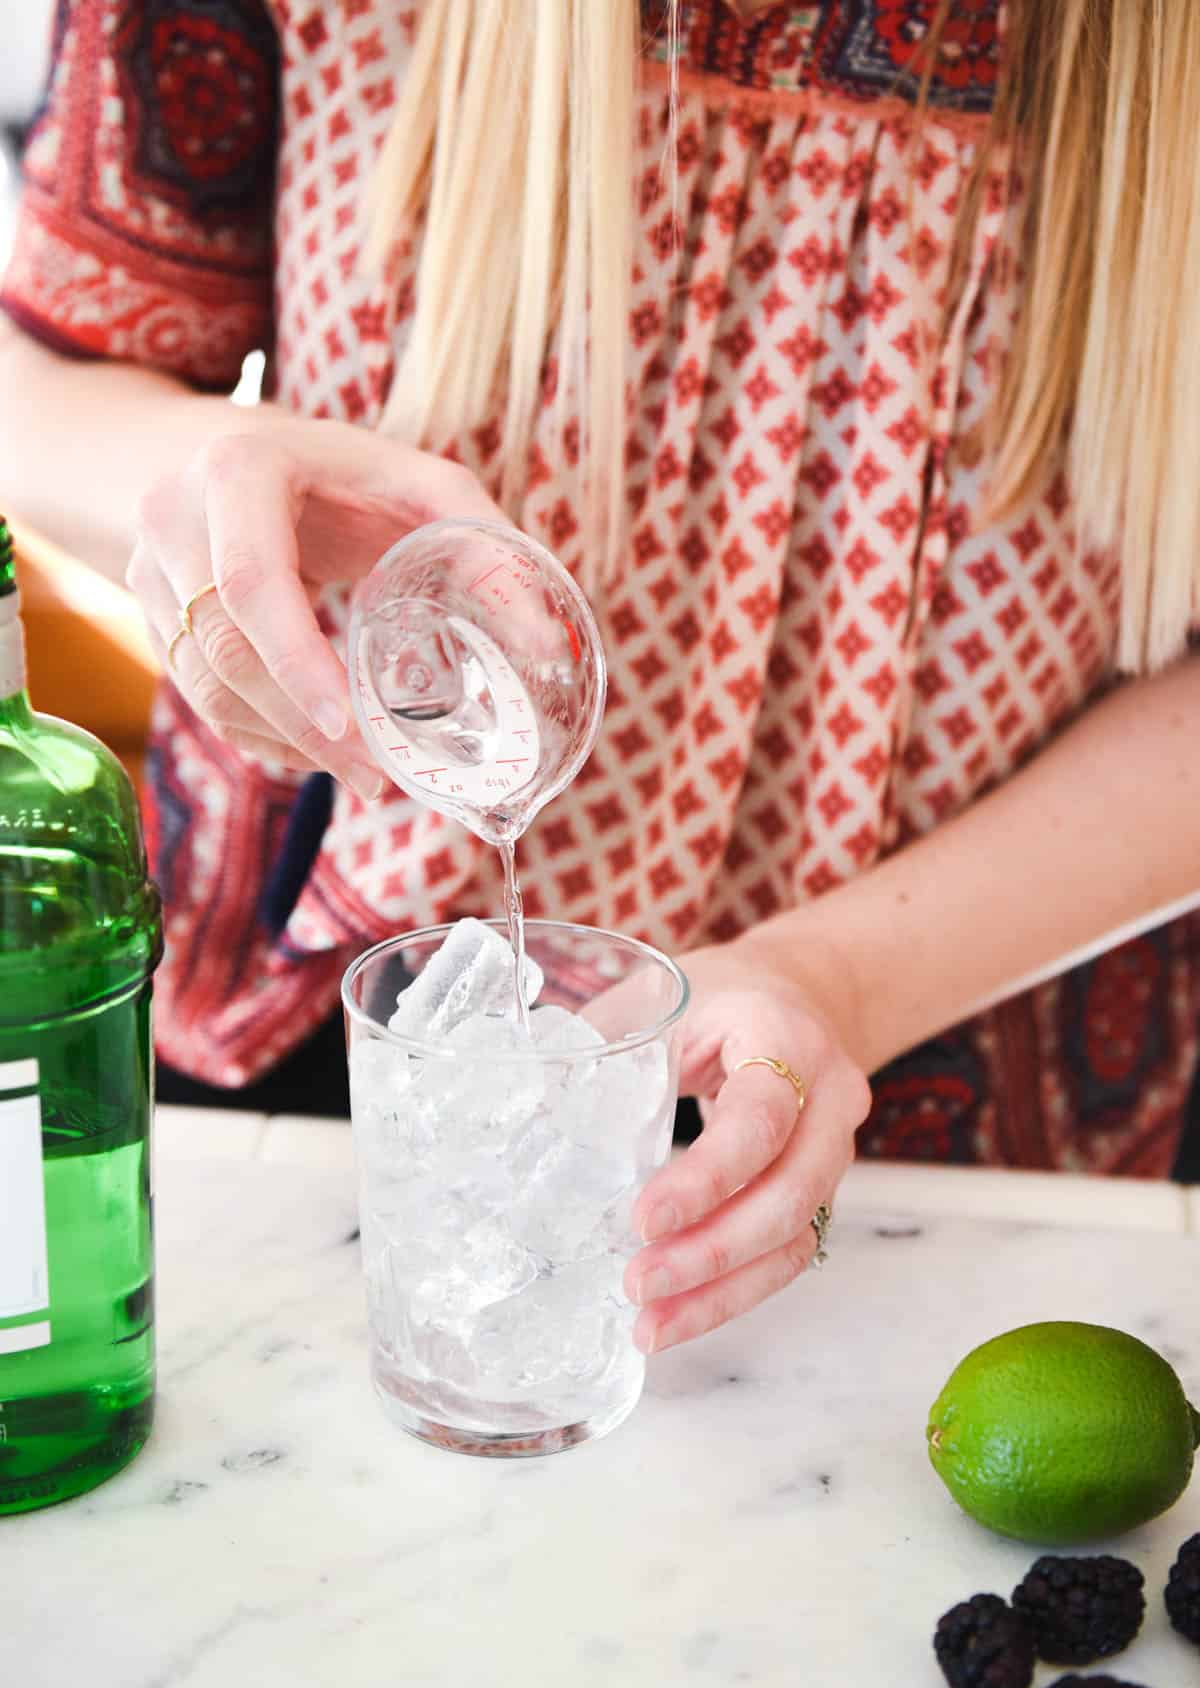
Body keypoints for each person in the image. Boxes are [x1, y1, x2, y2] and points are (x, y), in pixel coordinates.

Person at [1, 1, 1198, 1359]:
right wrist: (190, 471)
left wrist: (836, 977)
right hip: (318, 1079)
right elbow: (36, 379)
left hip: (971, 1104)